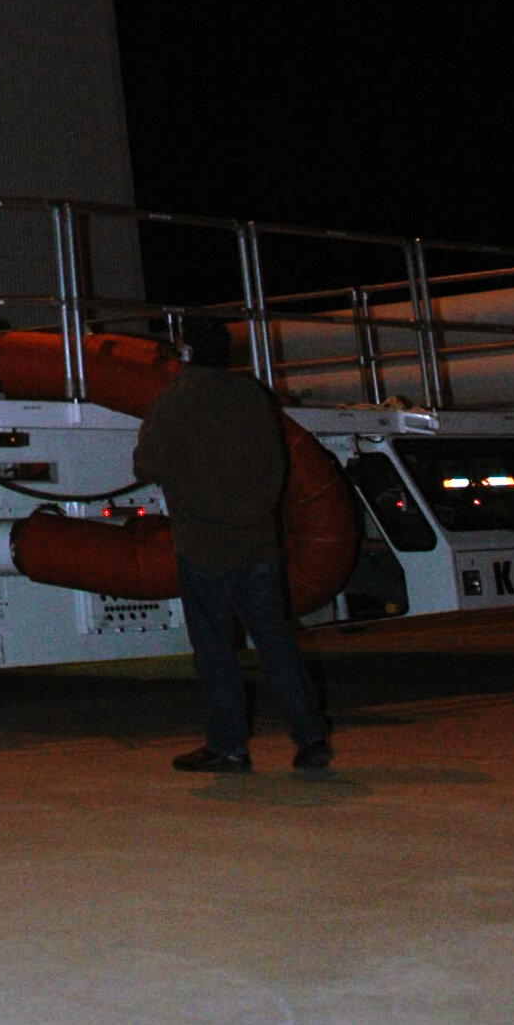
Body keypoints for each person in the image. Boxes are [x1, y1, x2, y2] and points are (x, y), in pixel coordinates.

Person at [134, 313, 333, 773]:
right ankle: (310, 736)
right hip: (258, 543)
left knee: (215, 648)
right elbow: (276, 465)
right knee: (276, 640)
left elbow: (148, 463)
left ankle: (228, 746)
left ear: (185, 354)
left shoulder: (174, 400)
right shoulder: (253, 396)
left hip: (204, 546)